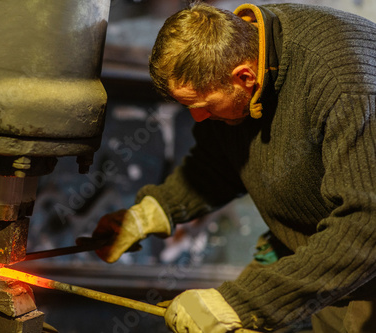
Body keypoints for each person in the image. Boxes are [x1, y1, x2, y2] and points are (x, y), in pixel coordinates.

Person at [84, 1, 376, 332]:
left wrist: (243, 304)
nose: (197, 117)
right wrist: (152, 212)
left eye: (202, 106)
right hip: (307, 244)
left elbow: (367, 224)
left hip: (363, 265)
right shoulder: (244, 45)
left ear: (244, 77)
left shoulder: (344, 82)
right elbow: (221, 161)